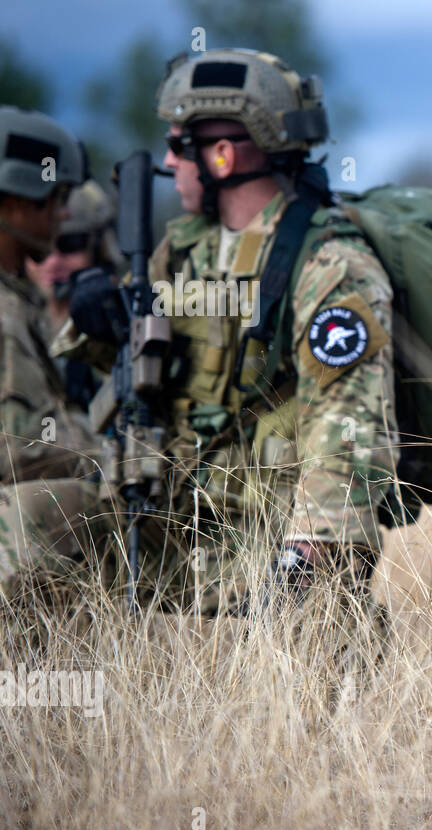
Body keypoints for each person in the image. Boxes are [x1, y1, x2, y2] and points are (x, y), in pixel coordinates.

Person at [0, 49, 398, 618]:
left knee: (322, 619)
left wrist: (304, 561)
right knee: (22, 519)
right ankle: (41, 697)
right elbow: (132, 382)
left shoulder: (331, 267)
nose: (168, 160)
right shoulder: (185, 250)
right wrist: (101, 327)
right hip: (169, 520)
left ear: (221, 155)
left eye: (178, 146)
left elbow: (354, 437)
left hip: (270, 539)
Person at [0, 105, 95, 483]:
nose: (66, 214)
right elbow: (16, 446)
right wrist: (110, 454)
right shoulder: (6, 311)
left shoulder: (19, 296)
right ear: (19, 201)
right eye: (59, 197)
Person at [24, 179, 123, 411]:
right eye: (41, 248)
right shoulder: (12, 320)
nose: (54, 261)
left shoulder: (120, 323)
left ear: (98, 247)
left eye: (71, 244)